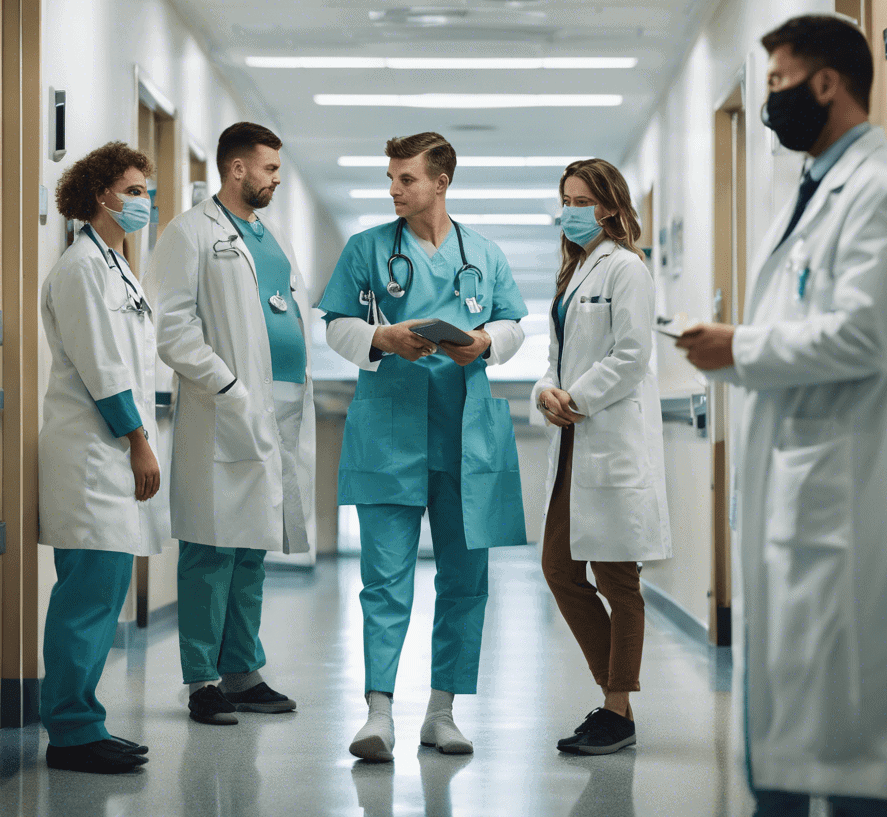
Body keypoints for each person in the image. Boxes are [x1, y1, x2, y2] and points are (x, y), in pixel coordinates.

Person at [676, 15, 887, 816]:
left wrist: (740, 349)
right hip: (795, 488)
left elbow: (863, 335)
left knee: (850, 742)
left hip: (837, 497)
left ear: (829, 82)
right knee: (792, 728)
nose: (771, 102)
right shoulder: (817, 191)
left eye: (782, 82)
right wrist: (742, 348)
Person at [317, 131, 528, 762]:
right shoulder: (367, 249)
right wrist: (384, 338)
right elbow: (337, 325)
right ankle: (379, 713)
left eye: (406, 179)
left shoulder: (483, 255)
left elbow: (513, 321)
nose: (394, 190)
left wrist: (487, 342)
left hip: (464, 434)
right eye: (390, 179)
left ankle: (442, 712)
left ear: (441, 181)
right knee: (384, 581)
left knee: (465, 581)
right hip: (389, 433)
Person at [148, 122, 315, 726]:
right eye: (269, 168)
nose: (275, 179)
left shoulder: (269, 239)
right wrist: (227, 385)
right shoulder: (190, 233)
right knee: (210, 547)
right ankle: (202, 680)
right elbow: (172, 327)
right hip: (226, 406)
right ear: (238, 168)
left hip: (281, 405)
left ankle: (243, 671)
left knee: (252, 546)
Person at [533, 158, 671, 756]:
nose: (571, 210)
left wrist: (576, 397)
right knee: (560, 571)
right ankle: (617, 700)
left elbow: (632, 355)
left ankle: (616, 709)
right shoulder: (573, 273)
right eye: (566, 199)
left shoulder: (627, 269)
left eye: (582, 200)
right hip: (571, 444)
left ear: (611, 207)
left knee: (619, 580)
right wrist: (546, 389)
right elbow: (557, 355)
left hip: (606, 435)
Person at [38, 142, 168, 773]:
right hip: (97, 454)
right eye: (134, 189)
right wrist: (138, 441)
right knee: (87, 597)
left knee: (102, 591)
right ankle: (70, 732)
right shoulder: (82, 269)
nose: (144, 200)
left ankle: (84, 722)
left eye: (146, 190)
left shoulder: (114, 266)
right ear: (100, 196)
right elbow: (102, 368)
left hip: (110, 452)